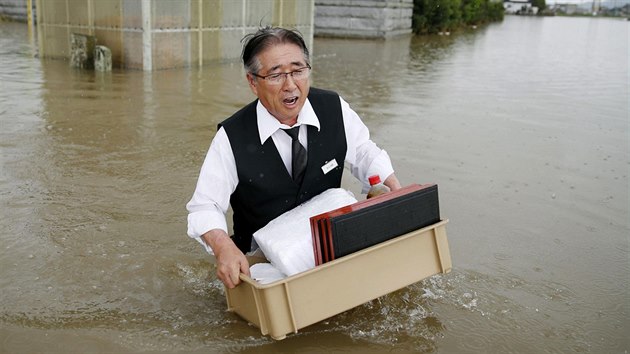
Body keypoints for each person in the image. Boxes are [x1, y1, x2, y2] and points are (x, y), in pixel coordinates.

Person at [186, 26, 402, 289]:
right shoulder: (231, 137)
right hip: (263, 264)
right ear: (253, 82)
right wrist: (223, 248)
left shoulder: (333, 108)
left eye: (298, 71)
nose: (290, 85)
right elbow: (205, 205)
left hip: (327, 247)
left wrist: (388, 185)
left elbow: (364, 151)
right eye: (275, 75)